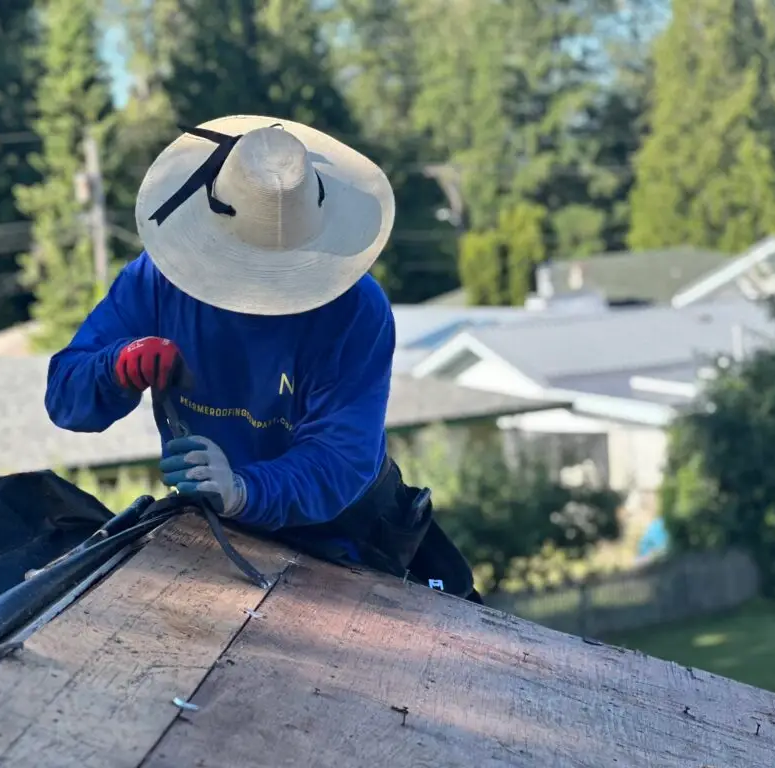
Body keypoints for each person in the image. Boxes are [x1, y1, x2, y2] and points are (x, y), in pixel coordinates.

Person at [44, 115, 482, 603]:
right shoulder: (157, 282)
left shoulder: (355, 310)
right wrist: (113, 368)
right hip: (223, 536)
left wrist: (241, 490)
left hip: (343, 540)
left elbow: (340, 459)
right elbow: (65, 400)